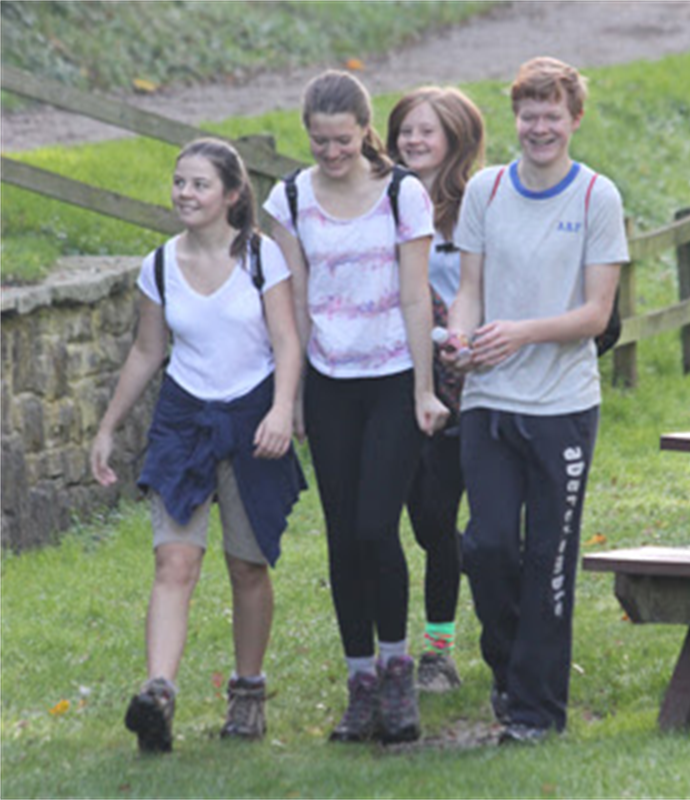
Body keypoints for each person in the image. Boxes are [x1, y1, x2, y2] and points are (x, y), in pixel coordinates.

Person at [90, 137, 306, 753]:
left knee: (246, 563)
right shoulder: (159, 264)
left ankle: (247, 692)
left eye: (199, 184)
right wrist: (107, 426)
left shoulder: (264, 259)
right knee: (174, 561)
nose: (185, 193)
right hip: (183, 419)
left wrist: (281, 411)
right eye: (179, 182)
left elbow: (287, 341)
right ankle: (158, 693)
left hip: (251, 415)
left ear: (232, 195)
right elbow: (146, 351)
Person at [444, 57, 629, 744]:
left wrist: (520, 332)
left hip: (563, 407)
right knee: (487, 546)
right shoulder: (486, 192)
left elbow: (595, 314)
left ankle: (535, 712)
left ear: (574, 119)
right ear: (515, 119)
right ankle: (509, 668)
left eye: (553, 115)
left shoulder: (594, 199)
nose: (540, 127)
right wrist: (460, 337)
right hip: (489, 400)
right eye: (529, 115)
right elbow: (468, 288)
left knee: (550, 559)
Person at [264, 70, 449, 745]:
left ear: (365, 131)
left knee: (377, 527)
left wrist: (426, 388)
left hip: (393, 376)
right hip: (331, 380)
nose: (331, 153)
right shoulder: (289, 198)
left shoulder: (403, 195)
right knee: (343, 537)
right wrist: (296, 397)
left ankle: (400, 670)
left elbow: (416, 297)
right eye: (319, 142)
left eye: (342, 140)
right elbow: (294, 302)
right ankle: (361, 681)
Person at [386, 86, 485, 693]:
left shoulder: (475, 206)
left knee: (436, 511)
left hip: (461, 385)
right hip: (391, 379)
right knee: (420, 525)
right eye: (405, 130)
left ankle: (439, 650)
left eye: (427, 131)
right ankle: (490, 560)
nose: (414, 141)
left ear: (456, 139)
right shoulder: (382, 205)